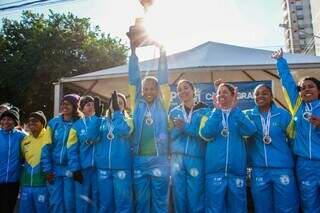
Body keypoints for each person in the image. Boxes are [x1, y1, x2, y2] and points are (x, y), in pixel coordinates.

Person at [272, 48, 320, 212]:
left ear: (318, 90)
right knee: (309, 202)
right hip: (304, 163)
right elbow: (287, 82)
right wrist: (280, 61)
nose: (306, 89)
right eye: (303, 88)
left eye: (311, 86)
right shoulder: (297, 106)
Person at [199, 83, 256, 213]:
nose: (221, 94)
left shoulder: (239, 115)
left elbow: (251, 130)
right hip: (214, 172)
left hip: (236, 172)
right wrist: (218, 111)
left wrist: (235, 110)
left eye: (225, 92)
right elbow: (205, 133)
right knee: (214, 209)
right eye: (219, 92)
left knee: (238, 209)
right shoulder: (209, 114)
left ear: (233, 96)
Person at [128, 44, 171, 212]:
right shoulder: (136, 104)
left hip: (160, 159)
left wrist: (162, 52)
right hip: (139, 160)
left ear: (158, 90)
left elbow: (164, 79)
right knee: (142, 201)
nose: (149, 91)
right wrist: (133, 53)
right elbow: (133, 80)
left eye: (152, 88)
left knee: (160, 202)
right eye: (146, 88)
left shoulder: (163, 104)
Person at [245, 84, 299, 213]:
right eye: (257, 94)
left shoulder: (283, 115)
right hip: (259, 169)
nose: (260, 96)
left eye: (264, 93)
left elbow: (293, 140)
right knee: (262, 208)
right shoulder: (248, 116)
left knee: (287, 207)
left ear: (271, 96)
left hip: (282, 168)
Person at [169, 79, 209, 212]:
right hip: (177, 158)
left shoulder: (205, 110)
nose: (182, 91)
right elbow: (169, 135)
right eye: (179, 90)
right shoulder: (173, 112)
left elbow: (205, 134)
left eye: (186, 88)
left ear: (193, 90)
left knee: (196, 194)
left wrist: (185, 127)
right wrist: (178, 129)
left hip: (196, 157)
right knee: (178, 194)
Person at [94, 91, 133, 213]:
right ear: (109, 105)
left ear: (124, 106)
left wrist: (117, 113)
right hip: (103, 167)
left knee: (123, 204)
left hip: (121, 167)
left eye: (120, 103)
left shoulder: (129, 120)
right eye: (115, 103)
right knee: (105, 203)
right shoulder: (101, 121)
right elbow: (91, 136)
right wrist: (96, 117)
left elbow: (122, 130)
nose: (117, 105)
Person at [67, 95, 103, 213]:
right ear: (82, 109)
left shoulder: (102, 121)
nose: (91, 106)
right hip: (83, 170)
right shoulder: (76, 126)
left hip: (99, 169)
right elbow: (71, 149)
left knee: (97, 200)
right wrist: (75, 169)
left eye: (93, 104)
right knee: (82, 202)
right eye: (87, 104)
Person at [47, 94, 82, 213]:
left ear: (75, 106)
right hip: (55, 168)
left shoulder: (79, 123)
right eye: (62, 103)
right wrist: (48, 169)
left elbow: (79, 149)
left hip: (71, 168)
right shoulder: (53, 123)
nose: (64, 106)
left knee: (69, 201)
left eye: (67, 103)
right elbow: (46, 147)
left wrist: (75, 169)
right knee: (55, 201)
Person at [19, 111, 52, 213]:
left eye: (35, 121)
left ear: (42, 123)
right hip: (26, 184)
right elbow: (23, 158)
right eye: (29, 121)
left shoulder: (49, 137)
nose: (31, 123)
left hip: (43, 185)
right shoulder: (25, 140)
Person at [0, 107, 27, 212]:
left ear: (15, 121)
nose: (6, 122)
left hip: (13, 181)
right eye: (4, 119)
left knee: (9, 208)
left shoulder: (22, 136)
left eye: (9, 119)